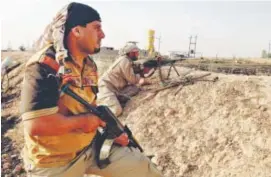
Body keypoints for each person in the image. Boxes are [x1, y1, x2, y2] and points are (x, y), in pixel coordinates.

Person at [20, 2, 162, 177]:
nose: (103, 34)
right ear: (77, 31)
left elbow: (89, 109)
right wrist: (84, 122)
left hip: (90, 148)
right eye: (97, 28)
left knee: (142, 166)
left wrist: (111, 133)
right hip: (54, 162)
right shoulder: (45, 65)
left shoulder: (89, 65)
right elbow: (37, 125)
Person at [97, 43, 150, 117]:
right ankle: (98, 119)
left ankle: (117, 99)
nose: (137, 54)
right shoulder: (124, 61)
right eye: (136, 52)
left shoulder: (126, 60)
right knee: (117, 110)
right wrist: (143, 79)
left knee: (135, 88)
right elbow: (132, 79)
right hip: (106, 88)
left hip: (116, 88)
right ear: (131, 53)